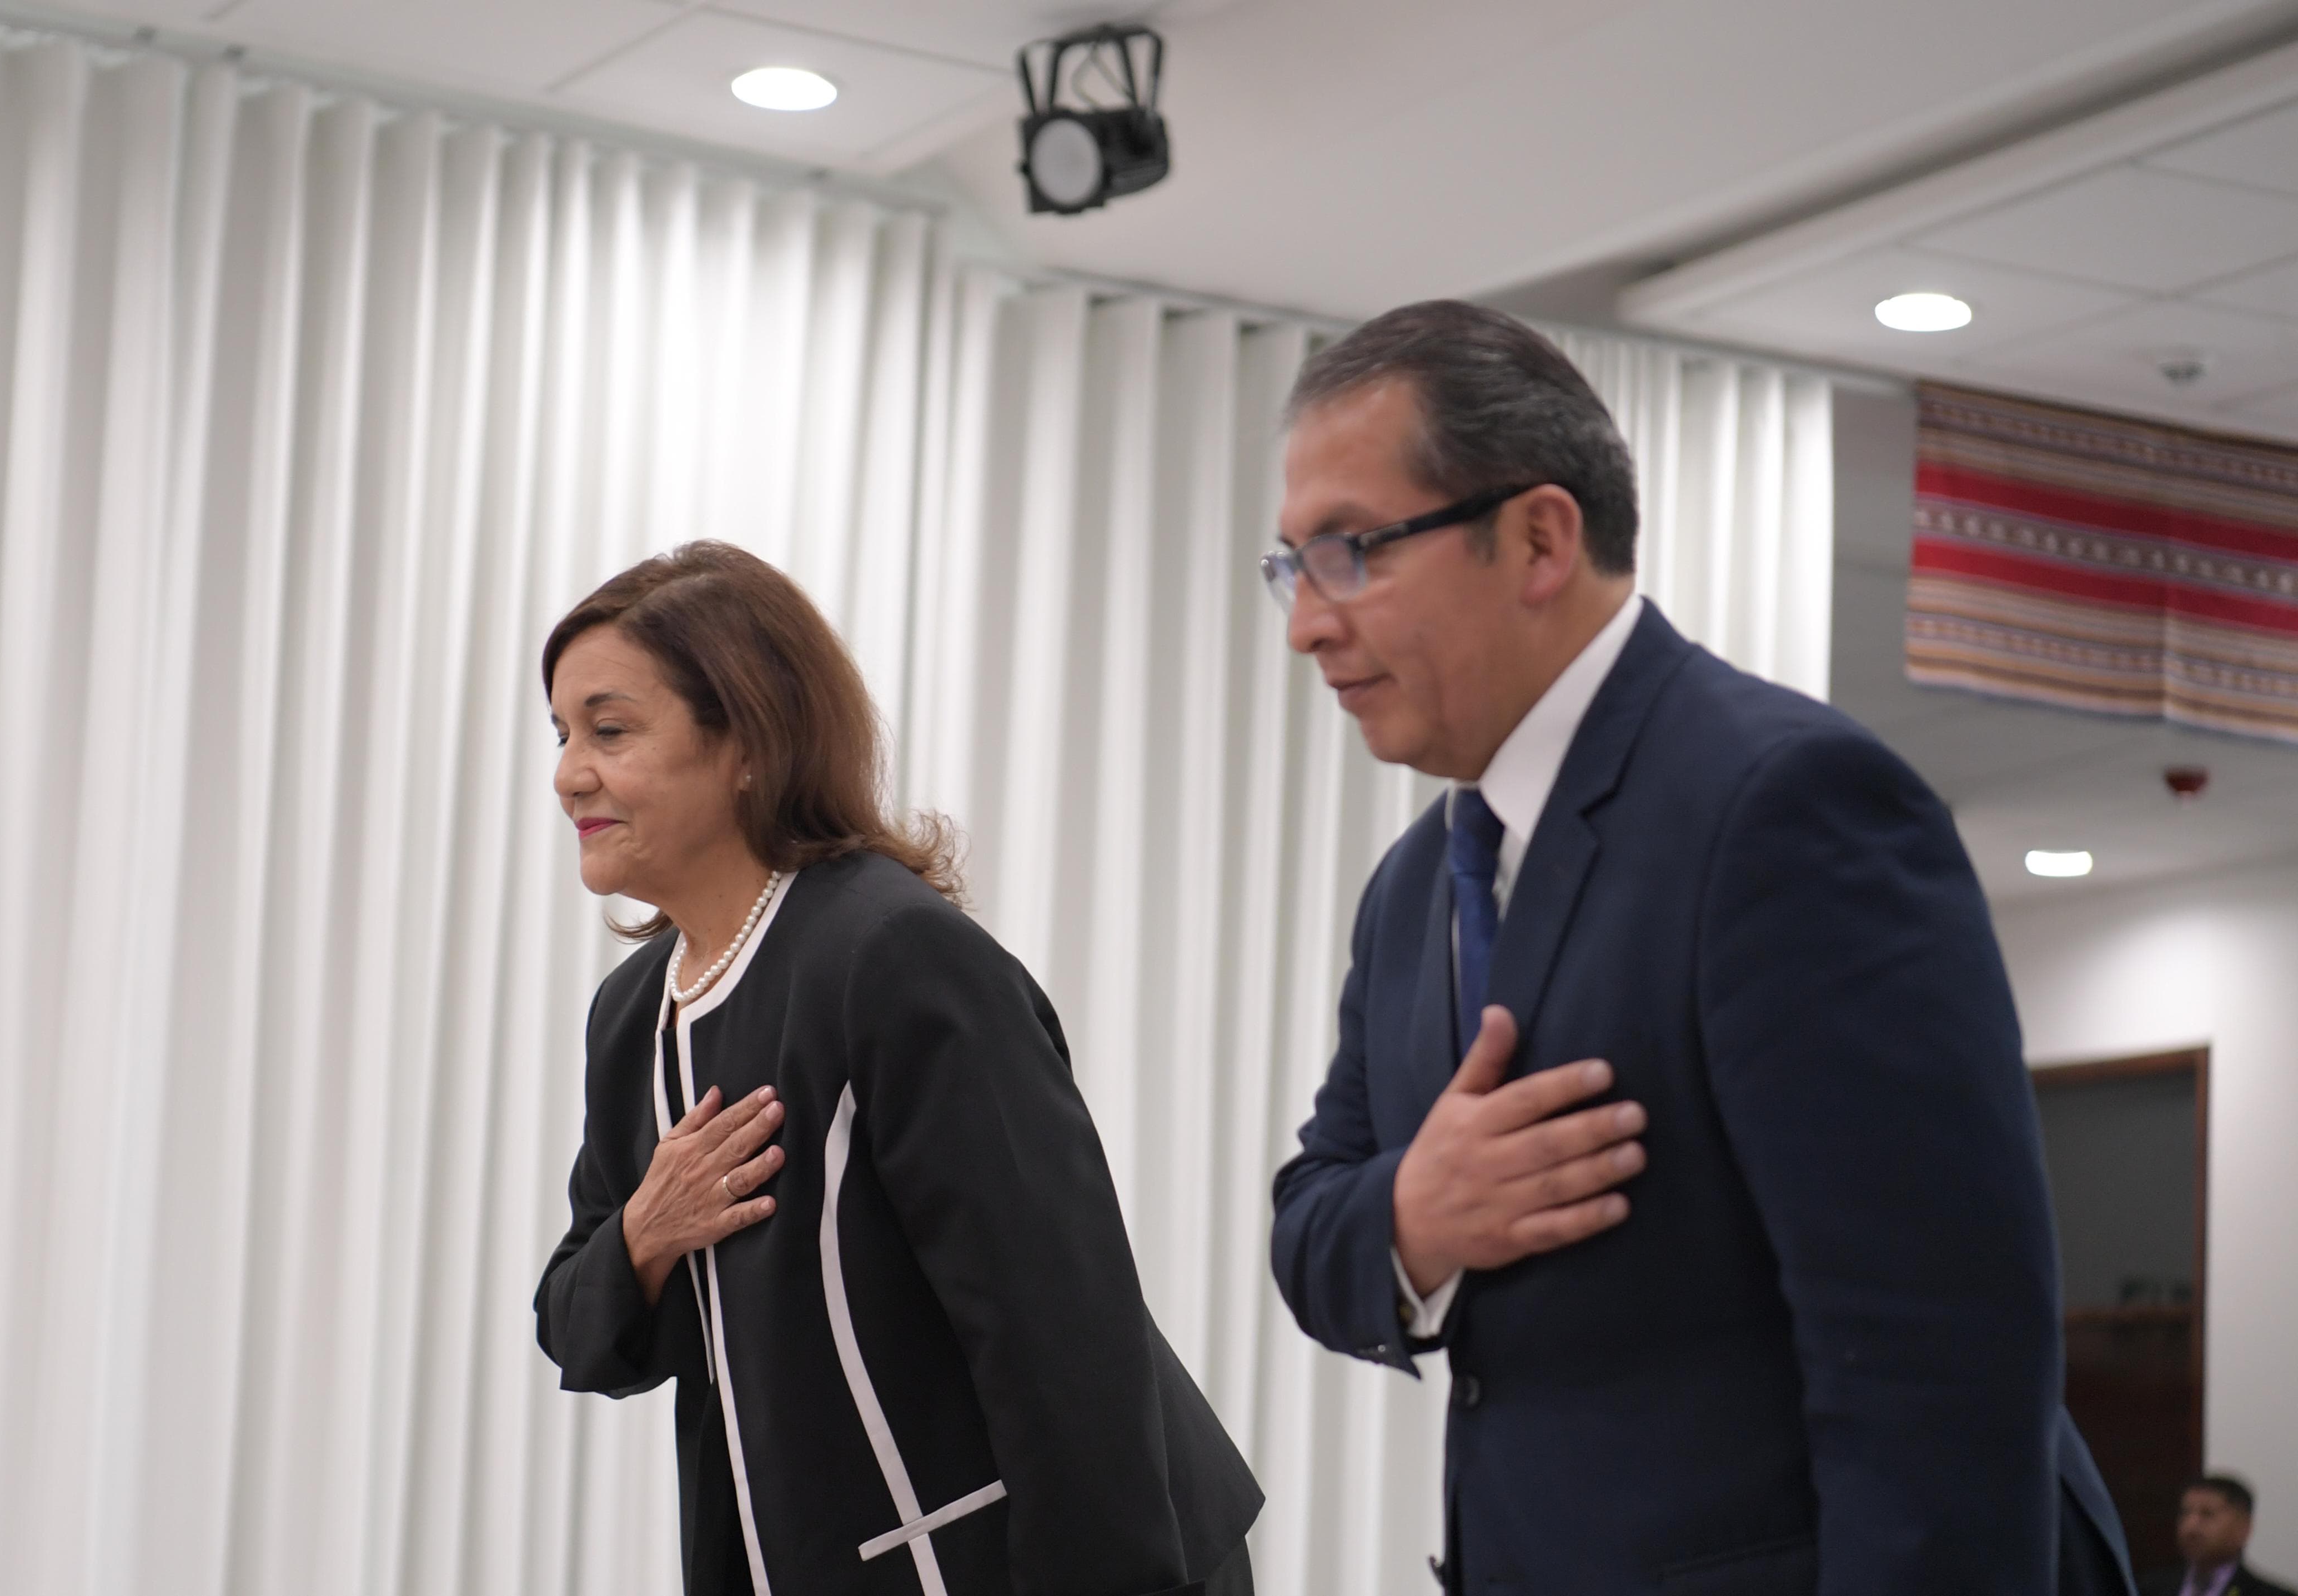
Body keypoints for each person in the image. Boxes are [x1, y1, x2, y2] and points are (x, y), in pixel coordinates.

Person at [1262, 300, 2135, 1595]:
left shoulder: (1788, 805)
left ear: (1539, 538)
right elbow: (1310, 1224)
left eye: (1349, 552)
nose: (1306, 622)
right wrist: (1416, 1216)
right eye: (1290, 566)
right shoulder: (1415, 889)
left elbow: (1938, 1364)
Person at [533, 543, 1260, 1596]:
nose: (569, 773)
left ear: (749, 742)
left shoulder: (891, 956)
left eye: (610, 729)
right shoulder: (632, 1017)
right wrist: (647, 1231)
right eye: (561, 733)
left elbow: (1061, 1329)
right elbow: (578, 1330)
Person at [2143, 1477, 2297, 1596]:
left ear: (2243, 1527)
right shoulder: (2147, 1589)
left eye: (2207, 1514)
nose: (2191, 1525)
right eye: (2185, 1513)